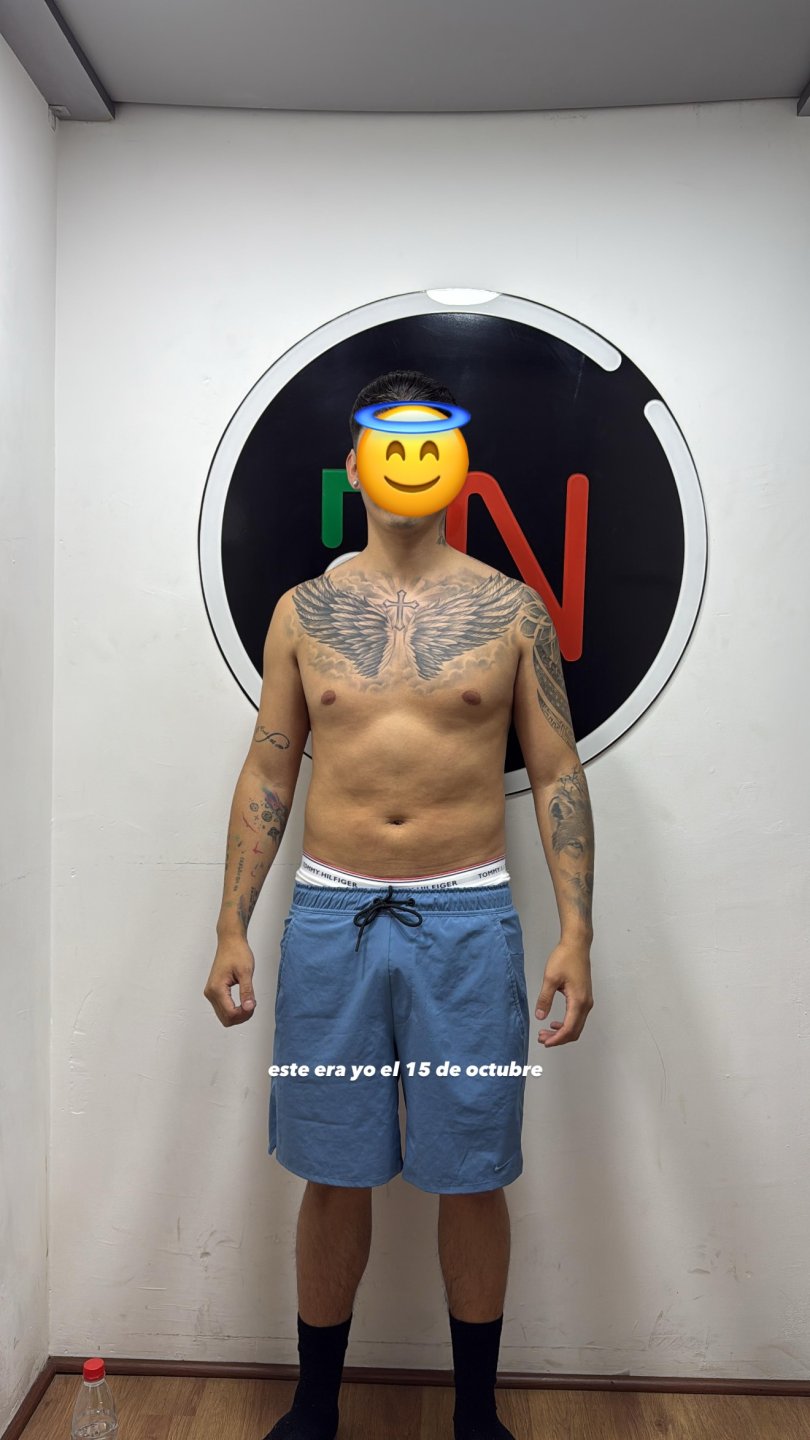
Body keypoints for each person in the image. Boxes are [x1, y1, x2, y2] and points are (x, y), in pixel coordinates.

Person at [204, 369, 596, 1440]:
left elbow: (556, 773)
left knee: (472, 1174)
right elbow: (270, 768)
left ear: (456, 466)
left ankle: (475, 1415)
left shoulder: (513, 610)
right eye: (390, 440)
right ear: (356, 464)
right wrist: (233, 921)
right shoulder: (302, 612)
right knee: (332, 1174)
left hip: (469, 922)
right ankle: (314, 1407)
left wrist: (576, 931)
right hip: (331, 921)